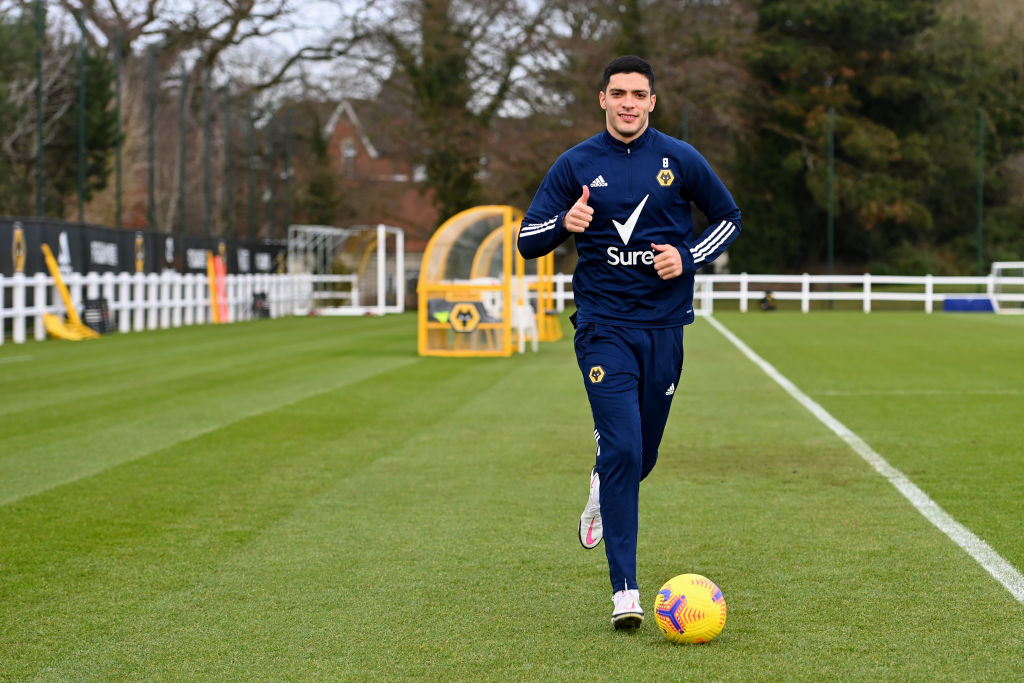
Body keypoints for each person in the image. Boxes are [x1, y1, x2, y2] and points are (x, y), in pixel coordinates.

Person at [517, 55, 742, 630]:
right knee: (622, 448)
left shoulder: (680, 158)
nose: (628, 103)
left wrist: (687, 257)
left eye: (638, 94)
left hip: (664, 328)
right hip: (603, 327)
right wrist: (563, 225)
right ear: (602, 99)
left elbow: (728, 217)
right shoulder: (575, 163)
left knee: (641, 457)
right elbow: (527, 239)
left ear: (652, 102)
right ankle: (625, 591)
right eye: (618, 93)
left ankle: (602, 484)